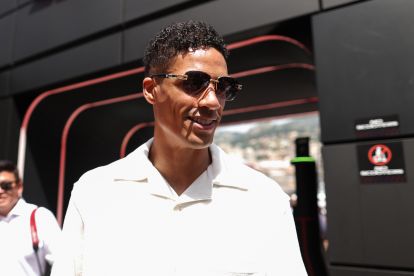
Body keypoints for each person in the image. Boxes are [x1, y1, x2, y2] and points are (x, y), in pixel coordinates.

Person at [51, 20, 307, 276]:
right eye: (194, 82)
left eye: (223, 88)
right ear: (152, 90)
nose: (212, 102)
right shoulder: (95, 192)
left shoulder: (263, 200)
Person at [0, 160, 61, 276]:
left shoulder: (40, 217)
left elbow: (63, 263)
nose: (0, 191)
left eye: (6, 185)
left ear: (19, 187)